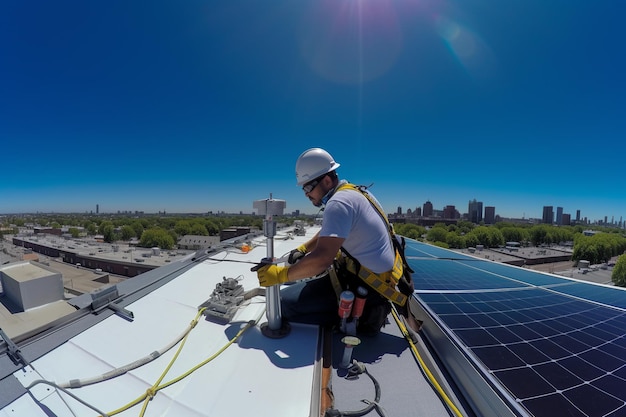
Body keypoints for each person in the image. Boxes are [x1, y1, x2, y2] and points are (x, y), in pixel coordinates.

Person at [255, 147, 408, 336]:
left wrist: (280, 275)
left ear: (327, 180)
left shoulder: (338, 203)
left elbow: (322, 260)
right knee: (296, 283)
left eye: (308, 187)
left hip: (366, 289)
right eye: (303, 188)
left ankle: (356, 320)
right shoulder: (354, 192)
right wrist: (303, 248)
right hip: (368, 278)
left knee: (281, 304)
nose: (306, 194)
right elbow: (331, 231)